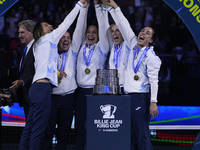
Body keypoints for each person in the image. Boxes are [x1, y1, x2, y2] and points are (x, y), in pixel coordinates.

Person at [19, 1, 86, 150]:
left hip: (36, 89)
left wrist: (55, 73)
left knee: (29, 128)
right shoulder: (49, 38)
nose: (50, 26)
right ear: (41, 32)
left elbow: (44, 65)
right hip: (43, 89)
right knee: (38, 132)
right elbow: (67, 21)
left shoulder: (38, 45)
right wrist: (80, 4)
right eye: (46, 25)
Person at [106, 0, 161, 149]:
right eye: (143, 30)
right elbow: (123, 24)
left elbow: (154, 81)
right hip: (126, 96)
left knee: (142, 135)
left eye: (147, 33)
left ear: (151, 40)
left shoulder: (152, 58)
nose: (143, 33)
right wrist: (114, 8)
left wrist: (153, 102)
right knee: (129, 136)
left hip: (140, 99)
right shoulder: (131, 44)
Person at [42, 1, 89, 149]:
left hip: (68, 99)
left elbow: (80, 29)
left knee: (64, 135)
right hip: (51, 97)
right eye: (63, 37)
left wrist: (84, 9)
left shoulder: (73, 51)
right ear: (57, 40)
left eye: (68, 37)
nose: (66, 39)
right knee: (47, 133)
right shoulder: (49, 52)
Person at [75, 0, 110, 149]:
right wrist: (84, 8)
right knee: (79, 128)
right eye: (88, 32)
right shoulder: (80, 45)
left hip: (95, 92)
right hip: (79, 92)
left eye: (94, 33)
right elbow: (79, 27)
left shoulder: (102, 47)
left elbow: (103, 28)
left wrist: (97, 7)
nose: (90, 34)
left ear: (98, 36)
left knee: (94, 127)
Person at [9, 20, 35, 120]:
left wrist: (23, 82)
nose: (19, 35)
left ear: (32, 32)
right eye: (19, 33)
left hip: (33, 97)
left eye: (22, 32)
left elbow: (39, 72)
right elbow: (22, 71)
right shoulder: (25, 49)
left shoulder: (37, 48)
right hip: (25, 97)